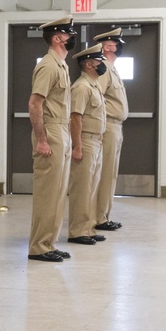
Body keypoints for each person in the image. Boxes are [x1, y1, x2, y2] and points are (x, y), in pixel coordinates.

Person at [28, 15, 78, 263]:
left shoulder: (61, 65)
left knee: (59, 191)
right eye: (69, 34)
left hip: (62, 129)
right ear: (58, 38)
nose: (72, 38)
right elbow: (35, 103)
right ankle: (38, 245)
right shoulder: (48, 65)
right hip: (51, 130)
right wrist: (42, 139)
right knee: (48, 191)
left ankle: (49, 242)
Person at [67, 44, 108, 246]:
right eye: (99, 61)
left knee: (91, 188)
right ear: (89, 64)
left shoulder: (94, 85)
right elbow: (75, 117)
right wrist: (77, 146)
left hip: (97, 141)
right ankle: (77, 231)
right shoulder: (81, 87)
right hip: (86, 141)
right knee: (82, 188)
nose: (102, 64)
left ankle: (88, 228)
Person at [93, 28, 129, 232]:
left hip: (116, 126)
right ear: (107, 47)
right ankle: (99, 217)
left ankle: (104, 215)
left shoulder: (112, 68)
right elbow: (96, 98)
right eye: (117, 43)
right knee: (105, 173)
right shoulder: (104, 68)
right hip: (107, 126)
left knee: (111, 174)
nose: (120, 46)